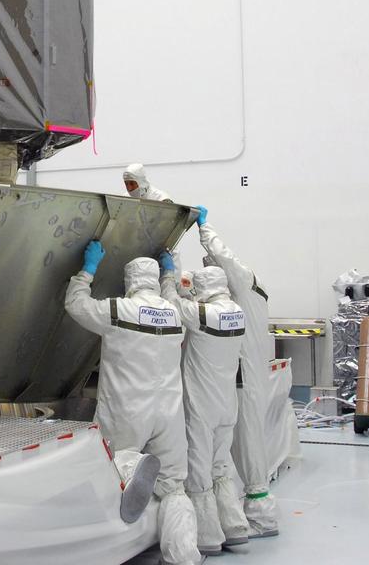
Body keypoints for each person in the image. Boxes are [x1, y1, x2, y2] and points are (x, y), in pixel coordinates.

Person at [65, 242, 201, 565]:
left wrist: (88, 269)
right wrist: (171, 272)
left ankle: (130, 468)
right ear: (153, 280)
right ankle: (183, 555)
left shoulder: (117, 311)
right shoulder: (174, 314)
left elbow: (75, 303)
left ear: (129, 282)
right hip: (168, 416)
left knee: (111, 468)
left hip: (127, 411)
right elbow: (172, 296)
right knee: (173, 488)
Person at [195, 206, 280, 538]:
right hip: (247, 378)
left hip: (243, 383)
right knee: (244, 445)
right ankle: (249, 509)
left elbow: (221, 253)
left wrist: (205, 227)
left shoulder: (242, 281)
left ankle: (261, 515)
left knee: (247, 446)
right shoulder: (251, 294)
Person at [159, 255, 250, 552]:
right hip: (227, 403)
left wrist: (169, 275)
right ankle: (234, 525)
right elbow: (194, 307)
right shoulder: (237, 311)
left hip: (203, 405)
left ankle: (208, 537)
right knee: (221, 467)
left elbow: (173, 303)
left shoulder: (202, 315)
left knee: (199, 470)